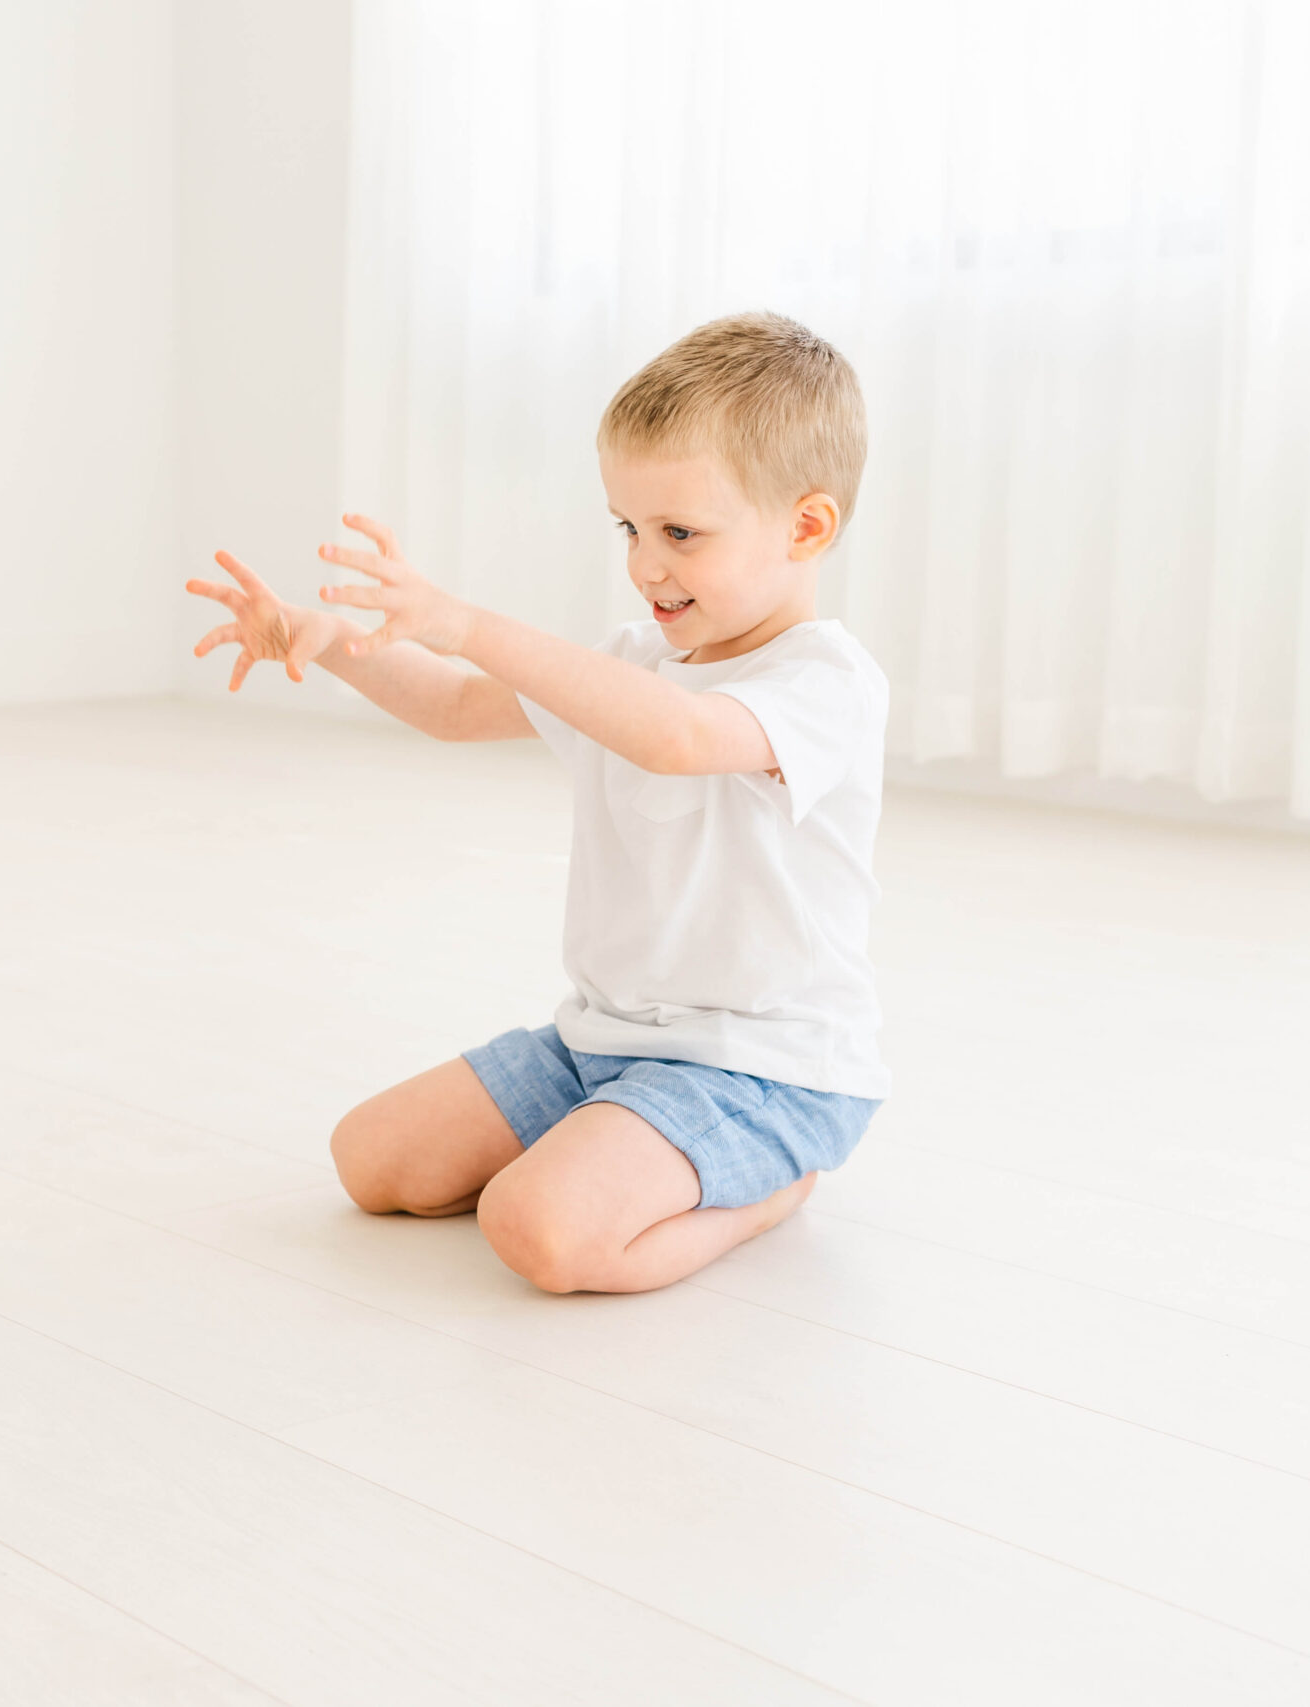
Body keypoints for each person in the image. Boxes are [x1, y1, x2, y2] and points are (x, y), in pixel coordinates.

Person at [186, 311, 889, 1295]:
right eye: (629, 529)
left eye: (680, 533)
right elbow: (454, 707)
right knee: (371, 1161)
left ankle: (769, 1188)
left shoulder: (823, 683)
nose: (645, 564)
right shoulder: (631, 663)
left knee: (540, 1231)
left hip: (759, 1065)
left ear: (806, 526)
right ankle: (624, 1143)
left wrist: (466, 622)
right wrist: (324, 638)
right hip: (600, 1039)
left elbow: (677, 737)